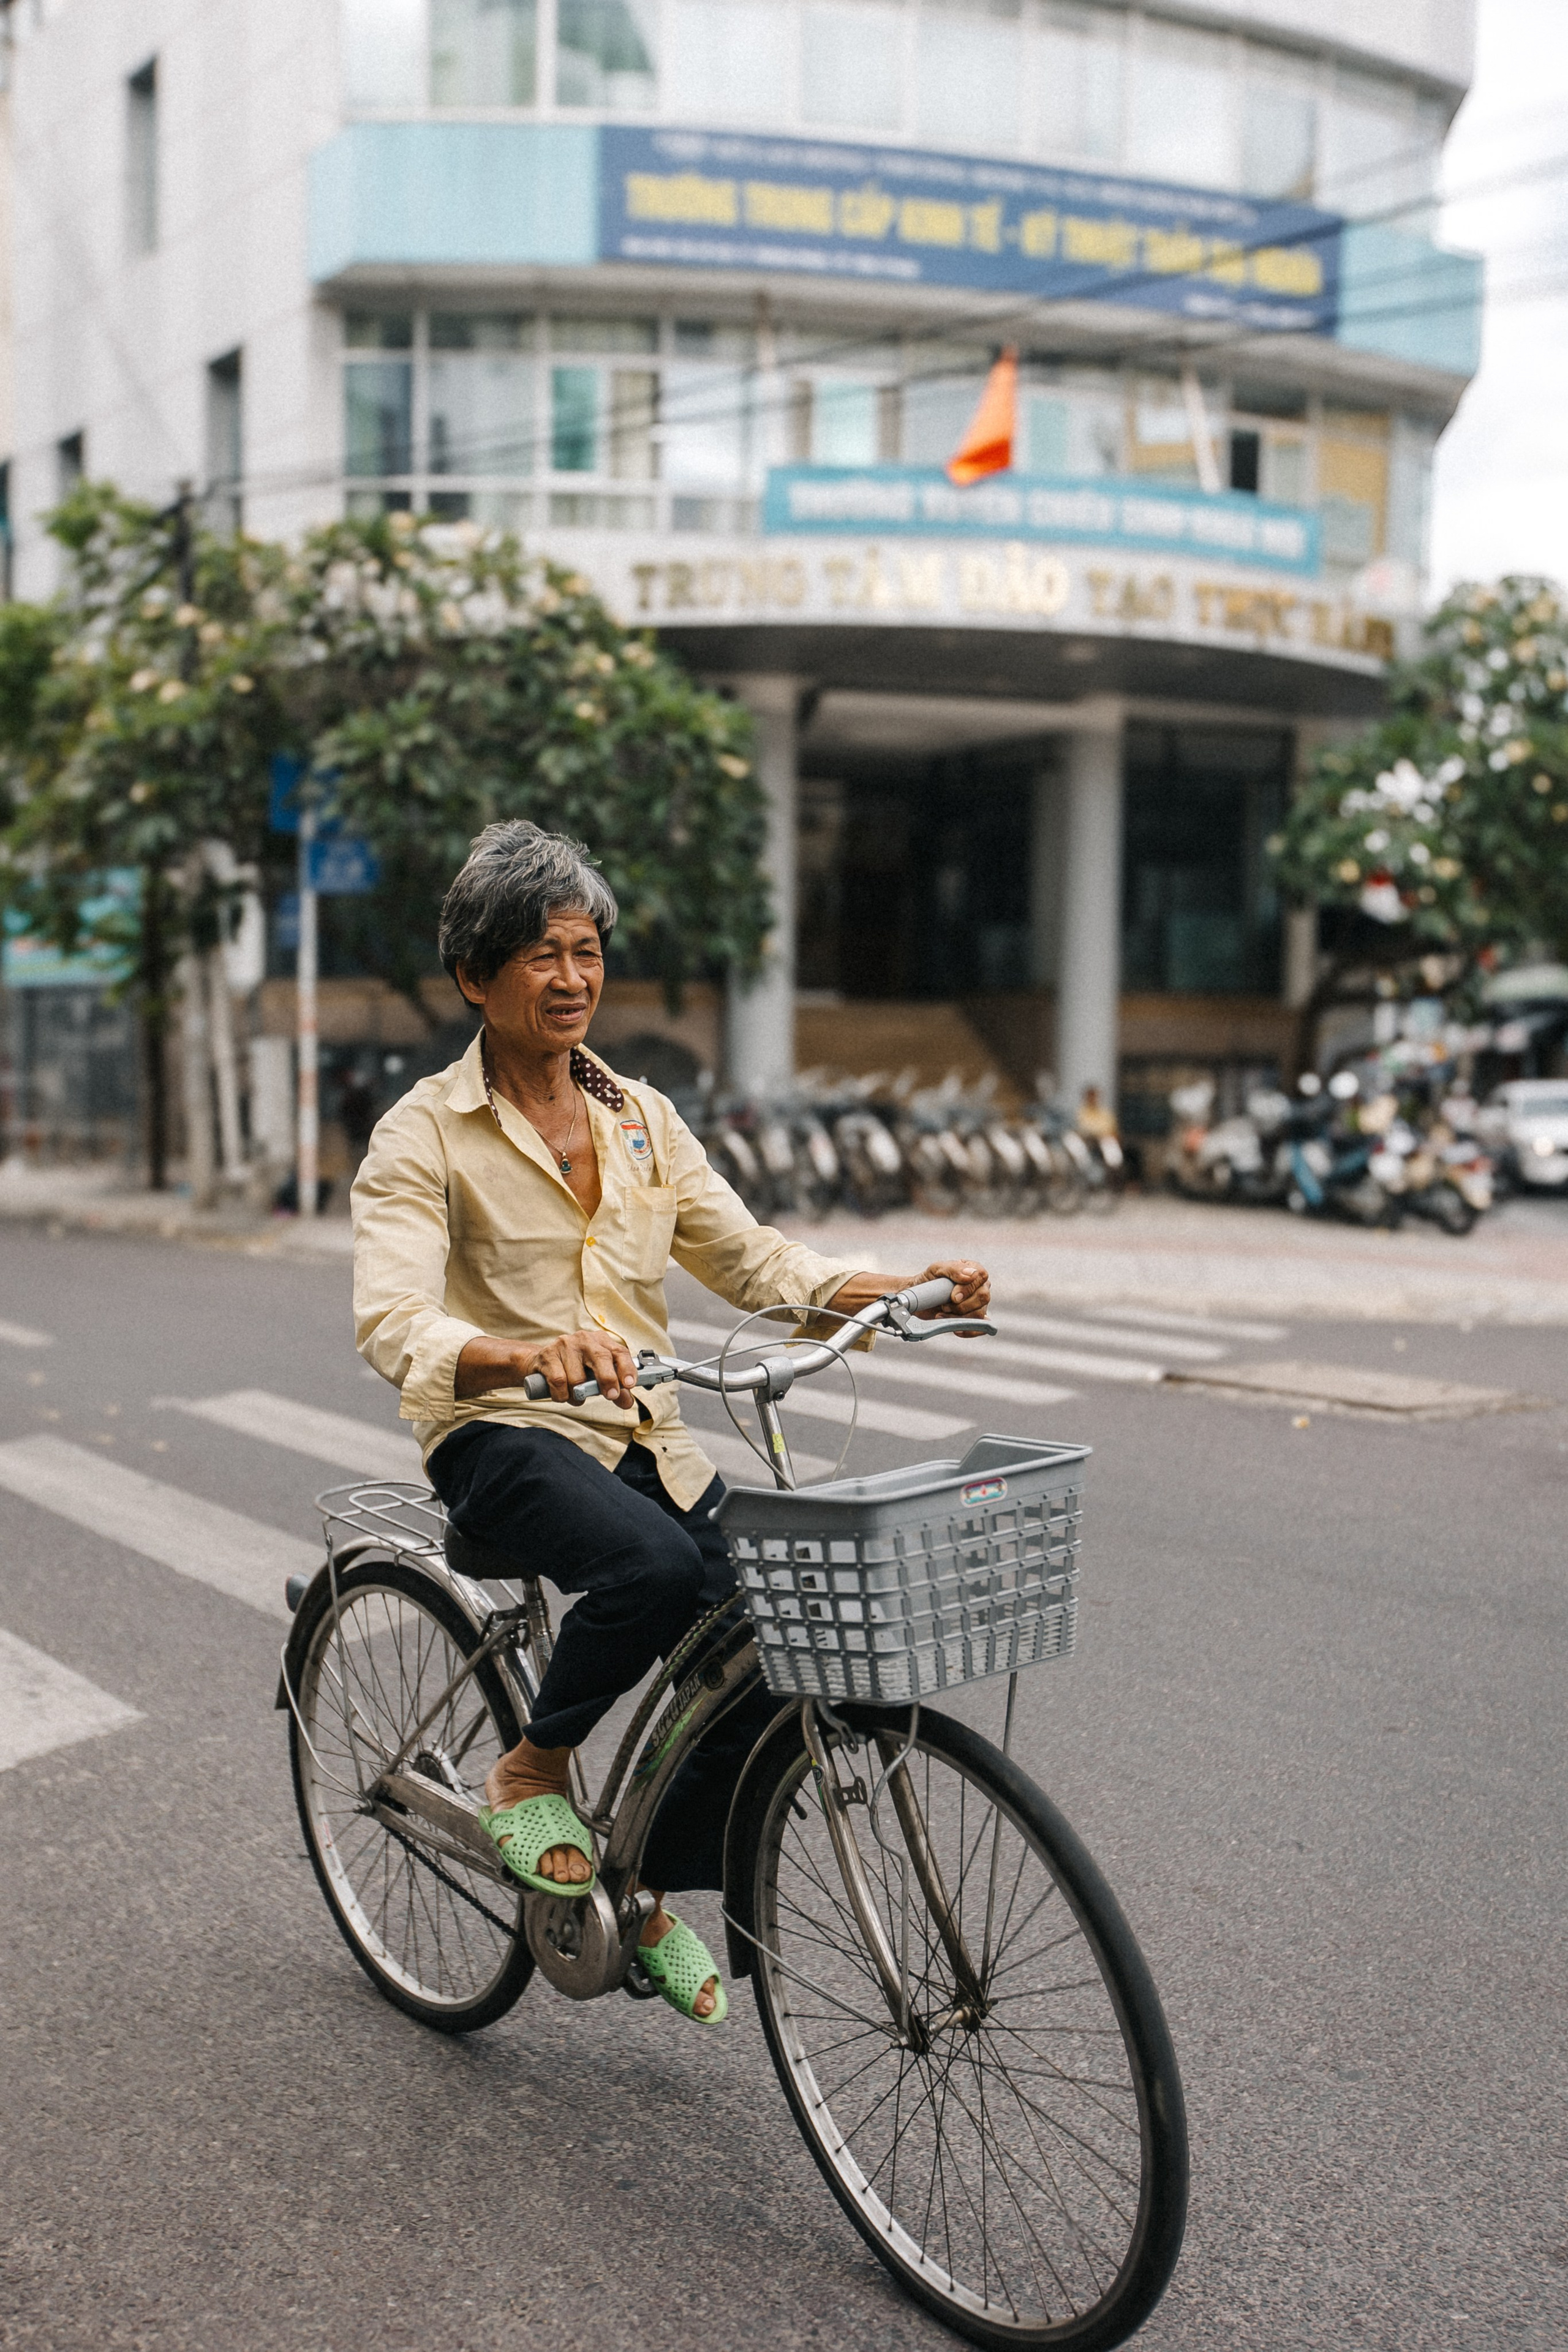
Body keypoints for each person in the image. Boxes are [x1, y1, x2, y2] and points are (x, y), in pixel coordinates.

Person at [352, 821, 990, 2026]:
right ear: (475, 979)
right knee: (644, 1570)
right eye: (540, 955)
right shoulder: (422, 1133)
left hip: (645, 1430)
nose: (570, 978)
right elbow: (391, 1319)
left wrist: (895, 1288)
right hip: (498, 1431)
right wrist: (524, 1355)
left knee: (770, 1623)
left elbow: (753, 1261)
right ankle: (529, 1769)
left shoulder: (639, 1116)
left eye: (585, 951)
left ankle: (636, 1889)